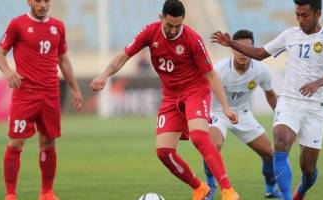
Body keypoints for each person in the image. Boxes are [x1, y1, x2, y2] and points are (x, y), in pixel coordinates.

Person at [90, 0, 240, 199]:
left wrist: (226, 108)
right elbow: (123, 56)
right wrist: (103, 75)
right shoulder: (149, 32)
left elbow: (211, 75)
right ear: (161, 18)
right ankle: (199, 187)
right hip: (170, 95)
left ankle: (228, 190)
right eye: (169, 25)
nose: (173, 30)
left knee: (199, 137)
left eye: (178, 25)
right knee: (164, 152)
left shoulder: (192, 39)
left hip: (195, 90)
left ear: (183, 21)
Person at [211, 0, 323, 199]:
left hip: (315, 106)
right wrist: (231, 43)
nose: (300, 19)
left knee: (307, 168)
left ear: (318, 14)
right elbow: (261, 53)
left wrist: (317, 83)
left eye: (304, 15)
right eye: (297, 14)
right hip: (289, 101)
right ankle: (286, 197)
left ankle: (302, 189)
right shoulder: (290, 35)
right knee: (280, 141)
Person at [0, 0, 83, 200]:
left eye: (46, 1)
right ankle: (10, 194)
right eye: (38, 1)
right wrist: (9, 73)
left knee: (48, 142)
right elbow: (0, 53)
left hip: (50, 93)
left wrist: (74, 88)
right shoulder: (17, 24)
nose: (43, 5)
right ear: (29, 1)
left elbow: (63, 59)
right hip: (25, 93)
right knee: (17, 142)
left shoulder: (58, 26)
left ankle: (47, 192)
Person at [203, 30, 282, 200]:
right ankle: (209, 188)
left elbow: (270, 94)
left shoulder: (261, 70)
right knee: (212, 146)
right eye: (239, 48)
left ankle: (270, 190)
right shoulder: (219, 69)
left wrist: (282, 117)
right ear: (232, 49)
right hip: (217, 112)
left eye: (248, 48)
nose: (243, 53)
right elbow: (203, 90)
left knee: (269, 154)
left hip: (242, 114)